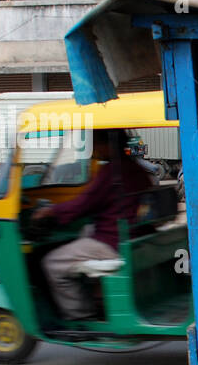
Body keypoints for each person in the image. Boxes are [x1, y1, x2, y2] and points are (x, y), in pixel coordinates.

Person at [33, 130, 156, 321]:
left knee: (52, 263)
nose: (94, 149)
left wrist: (50, 211)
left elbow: (83, 204)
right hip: (137, 236)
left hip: (115, 242)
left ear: (107, 145)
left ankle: (80, 316)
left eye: (96, 144)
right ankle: (98, 296)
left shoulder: (111, 172)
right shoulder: (137, 168)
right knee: (86, 232)